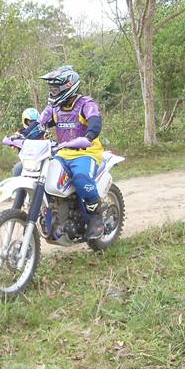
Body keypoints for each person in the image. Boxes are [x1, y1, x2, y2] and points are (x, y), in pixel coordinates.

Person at [32, 65, 106, 239]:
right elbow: (38, 125)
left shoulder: (86, 104)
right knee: (43, 175)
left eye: (55, 88)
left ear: (68, 86)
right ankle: (56, 213)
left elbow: (95, 123)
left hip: (86, 152)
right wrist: (20, 135)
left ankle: (96, 217)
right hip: (62, 153)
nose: (52, 91)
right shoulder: (54, 108)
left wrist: (88, 137)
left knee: (80, 177)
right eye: (51, 88)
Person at [11, 107, 46, 177]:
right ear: (25, 121)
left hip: (42, 159)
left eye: (35, 121)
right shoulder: (21, 133)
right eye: (30, 121)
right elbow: (13, 144)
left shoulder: (42, 132)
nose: (33, 124)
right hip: (28, 161)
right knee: (17, 168)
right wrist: (13, 141)